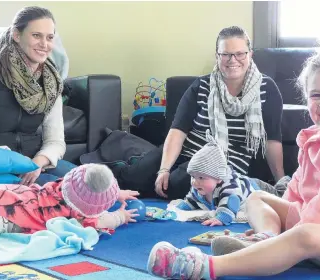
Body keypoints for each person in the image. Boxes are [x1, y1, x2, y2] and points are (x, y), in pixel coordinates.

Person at [146, 31, 320, 279]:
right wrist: (284, 222)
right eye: (316, 95)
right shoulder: (315, 136)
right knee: (256, 197)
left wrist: (292, 232)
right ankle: (266, 239)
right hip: (316, 219)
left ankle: (206, 267)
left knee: (305, 235)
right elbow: (297, 188)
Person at [113, 26, 285, 200]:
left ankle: (155, 183)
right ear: (217, 55)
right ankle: (124, 170)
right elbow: (178, 131)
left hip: (223, 163)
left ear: (250, 54)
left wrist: (280, 182)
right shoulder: (201, 85)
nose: (233, 60)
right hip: (186, 152)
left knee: (176, 183)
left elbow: (272, 140)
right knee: (131, 179)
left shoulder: (267, 89)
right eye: (225, 54)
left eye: (240, 53)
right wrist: (164, 168)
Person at [0, 6, 75, 186]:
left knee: (87, 183)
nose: (44, 44)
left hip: (34, 163)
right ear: (16, 35)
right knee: (54, 194)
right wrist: (7, 158)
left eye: (49, 37)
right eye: (36, 35)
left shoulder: (52, 82)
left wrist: (38, 163)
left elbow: (56, 141)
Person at [0, 163, 139, 236]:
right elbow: (103, 221)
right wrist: (120, 216)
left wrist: (117, 193)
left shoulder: (62, 186)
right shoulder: (80, 218)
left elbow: (88, 188)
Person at [177, 130, 258, 226]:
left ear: (219, 178)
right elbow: (192, 199)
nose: (195, 182)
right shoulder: (198, 187)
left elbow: (231, 202)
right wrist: (179, 208)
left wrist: (222, 217)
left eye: (201, 177)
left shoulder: (230, 187)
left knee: (272, 196)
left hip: (254, 187)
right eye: (193, 176)